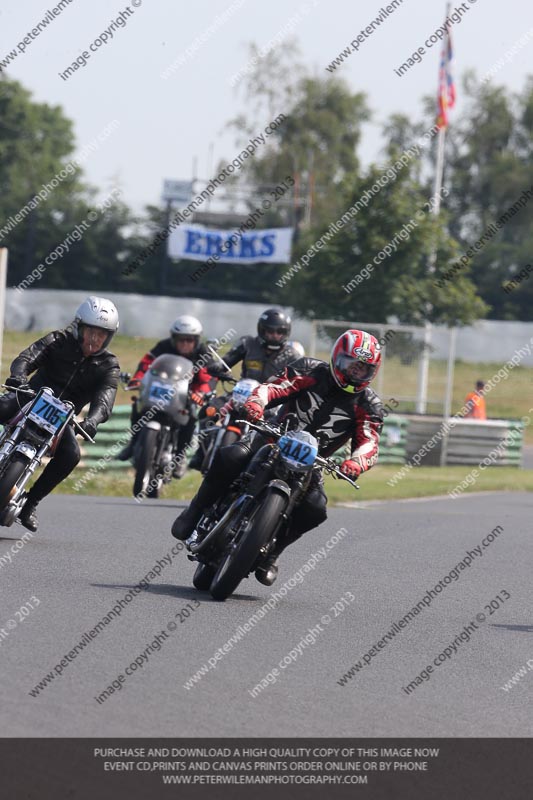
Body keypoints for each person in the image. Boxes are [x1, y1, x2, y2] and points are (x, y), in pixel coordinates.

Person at [172, 329, 384, 585]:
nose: (355, 373)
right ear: (338, 358)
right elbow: (273, 387)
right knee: (232, 455)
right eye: (352, 365)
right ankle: (193, 512)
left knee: (315, 508)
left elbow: (369, 442)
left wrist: (356, 462)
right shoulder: (309, 369)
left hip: (312, 462)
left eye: (363, 369)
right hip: (273, 437)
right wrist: (256, 404)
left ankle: (272, 553)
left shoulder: (370, 404)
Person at [0, 296, 120, 531]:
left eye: (102, 334)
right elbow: (27, 357)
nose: (95, 339)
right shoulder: (57, 340)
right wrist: (19, 377)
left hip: (63, 418)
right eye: (91, 331)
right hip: (29, 397)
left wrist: (93, 420)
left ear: (109, 337)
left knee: (71, 455)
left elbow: (105, 398)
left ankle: (30, 504)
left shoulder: (109, 365)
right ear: (79, 327)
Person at [117, 315, 230, 477]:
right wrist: (137, 380)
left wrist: (201, 393)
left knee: (191, 417)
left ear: (196, 340)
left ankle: (179, 456)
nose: (184, 344)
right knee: (138, 405)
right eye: (180, 339)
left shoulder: (202, 352)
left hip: (187, 395)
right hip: (161, 390)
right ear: (173, 338)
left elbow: (209, 377)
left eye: (189, 340)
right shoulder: (163, 347)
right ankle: (133, 442)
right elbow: (146, 364)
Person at [221, 308, 301, 382]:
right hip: (243, 394)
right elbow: (223, 363)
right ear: (262, 330)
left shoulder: (292, 356)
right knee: (219, 398)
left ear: (286, 332)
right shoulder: (248, 344)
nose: (275, 335)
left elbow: (302, 382)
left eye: (280, 331)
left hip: (274, 396)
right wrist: (215, 364)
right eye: (270, 331)